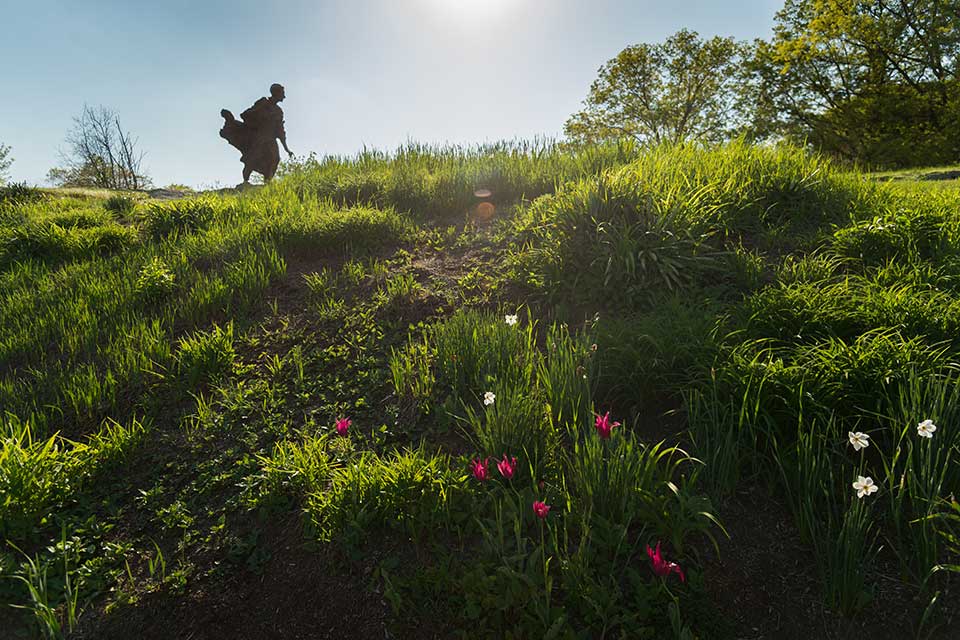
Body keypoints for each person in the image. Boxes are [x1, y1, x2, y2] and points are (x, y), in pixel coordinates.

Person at [220, 83, 294, 185]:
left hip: (271, 139)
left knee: (275, 159)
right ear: (276, 93)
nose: (284, 96)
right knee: (252, 159)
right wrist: (260, 118)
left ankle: (267, 183)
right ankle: (245, 181)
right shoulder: (263, 103)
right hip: (259, 137)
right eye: (282, 93)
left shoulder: (279, 111)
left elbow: (280, 131)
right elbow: (246, 114)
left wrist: (287, 149)